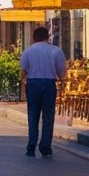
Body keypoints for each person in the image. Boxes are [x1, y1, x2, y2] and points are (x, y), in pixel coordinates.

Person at [19, 26, 67, 158]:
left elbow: (23, 71)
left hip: (33, 83)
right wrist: (62, 83)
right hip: (49, 83)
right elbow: (62, 71)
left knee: (33, 114)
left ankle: (31, 145)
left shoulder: (27, 52)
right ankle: (45, 146)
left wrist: (23, 86)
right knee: (48, 116)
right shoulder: (56, 51)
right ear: (48, 37)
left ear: (34, 38)